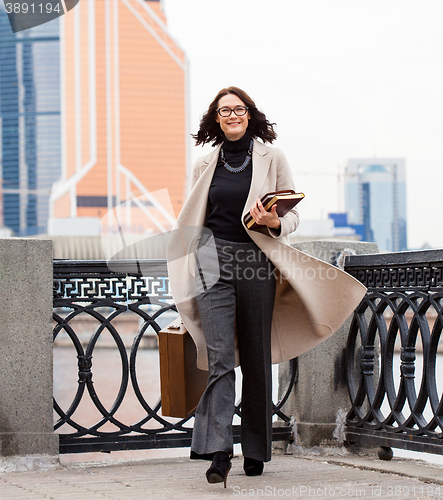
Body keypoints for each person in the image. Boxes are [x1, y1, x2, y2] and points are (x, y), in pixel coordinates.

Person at [166, 87, 367, 487]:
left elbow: (291, 218)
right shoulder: (205, 163)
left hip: (256, 260)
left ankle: (256, 449)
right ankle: (219, 450)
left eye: (238, 109)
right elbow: (194, 216)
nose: (232, 115)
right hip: (211, 261)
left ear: (248, 114)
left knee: (256, 356)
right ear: (216, 119)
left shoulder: (272, 157)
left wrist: (275, 222)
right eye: (225, 111)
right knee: (220, 357)